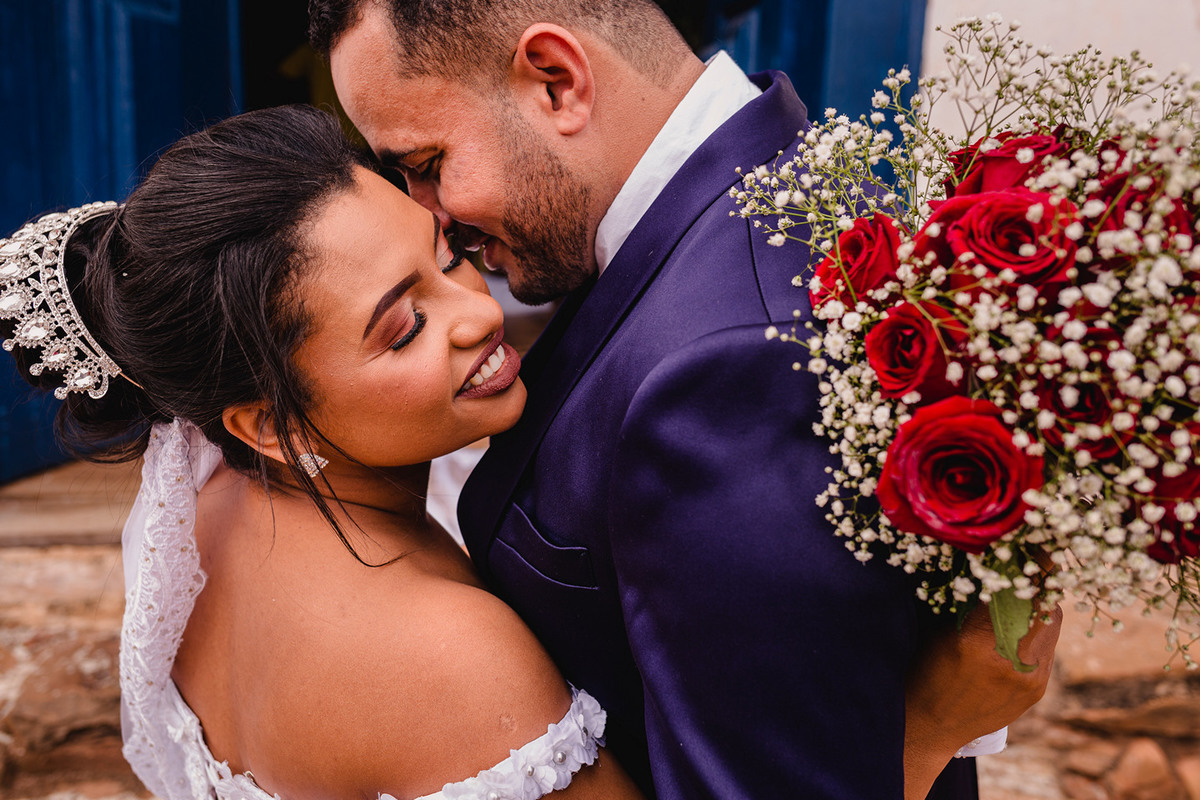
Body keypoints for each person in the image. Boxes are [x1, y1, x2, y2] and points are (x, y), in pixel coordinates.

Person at [0, 105, 1041, 800]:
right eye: (400, 327)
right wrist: (934, 720)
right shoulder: (448, 655)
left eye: (445, 255)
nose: (476, 312)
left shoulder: (209, 513)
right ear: (265, 419)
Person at [310, 2, 1062, 799]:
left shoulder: (733, 368)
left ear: (557, 82)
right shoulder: (754, 196)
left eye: (427, 162)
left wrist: (937, 730)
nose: (426, 213)